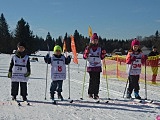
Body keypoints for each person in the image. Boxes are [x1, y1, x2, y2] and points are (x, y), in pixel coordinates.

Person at [83, 33, 106, 99]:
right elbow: (84, 57)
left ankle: (96, 93)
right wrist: (86, 53)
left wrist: (103, 54)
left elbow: (102, 57)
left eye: (96, 40)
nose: (95, 41)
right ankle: (90, 93)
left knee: (97, 80)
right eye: (94, 40)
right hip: (91, 66)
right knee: (92, 80)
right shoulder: (88, 48)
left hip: (97, 66)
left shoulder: (99, 48)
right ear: (91, 40)